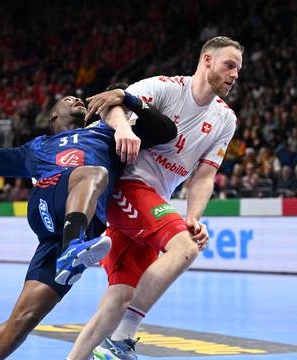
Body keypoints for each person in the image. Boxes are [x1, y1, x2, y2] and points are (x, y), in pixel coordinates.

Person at [0, 83, 176, 359]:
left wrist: (126, 99)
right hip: (49, 205)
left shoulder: (108, 133)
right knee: (93, 173)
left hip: (73, 232)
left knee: (21, 322)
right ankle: (73, 249)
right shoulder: (36, 148)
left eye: (78, 97)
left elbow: (167, 132)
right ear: (53, 117)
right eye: (68, 99)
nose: (76, 99)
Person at [67, 35, 242, 360]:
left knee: (120, 296)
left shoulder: (225, 119)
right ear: (206, 60)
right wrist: (122, 129)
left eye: (238, 70)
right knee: (186, 248)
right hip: (126, 188)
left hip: (152, 202)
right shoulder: (166, 87)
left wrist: (194, 216)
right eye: (229, 65)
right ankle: (121, 339)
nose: (234, 75)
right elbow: (113, 103)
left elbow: (204, 175)